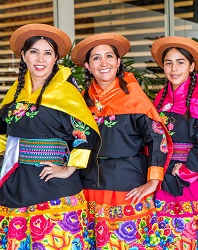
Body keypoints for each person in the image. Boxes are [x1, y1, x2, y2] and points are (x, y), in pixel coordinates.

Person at [0, 23, 100, 249]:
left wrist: (69, 168)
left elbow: (84, 131)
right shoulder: (15, 94)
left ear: (55, 57)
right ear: (23, 56)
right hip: (17, 184)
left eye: (47, 53)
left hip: (54, 184)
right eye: (34, 52)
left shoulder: (65, 92)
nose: (41, 59)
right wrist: (7, 156)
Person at [71, 33, 172, 249]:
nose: (103, 62)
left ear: (118, 63)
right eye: (96, 58)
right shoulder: (80, 100)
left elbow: (157, 137)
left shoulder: (134, 97)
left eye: (109, 56)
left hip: (126, 182)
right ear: (88, 66)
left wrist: (153, 180)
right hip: (88, 183)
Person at [150, 36, 198, 249]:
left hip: (188, 181)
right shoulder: (161, 99)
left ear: (192, 66)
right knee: (164, 238)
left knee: (188, 236)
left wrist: (186, 170)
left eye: (180, 62)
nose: (174, 69)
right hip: (162, 180)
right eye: (168, 63)